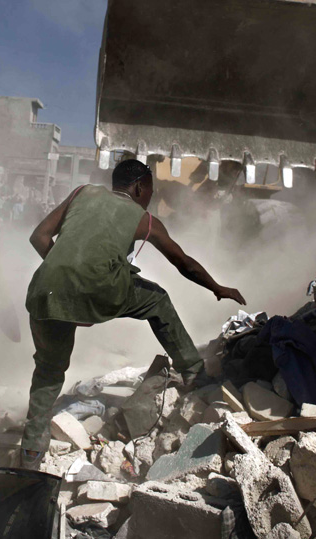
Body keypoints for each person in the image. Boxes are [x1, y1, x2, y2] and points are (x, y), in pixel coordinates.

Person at [20, 159, 246, 465]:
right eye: (151, 189)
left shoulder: (81, 192)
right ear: (140, 186)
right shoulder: (143, 218)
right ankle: (194, 373)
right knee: (157, 301)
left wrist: (66, 273)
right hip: (101, 288)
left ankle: (31, 451)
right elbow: (184, 264)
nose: (151, 196)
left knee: (49, 369)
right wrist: (217, 288)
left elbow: (39, 237)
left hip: (45, 289)